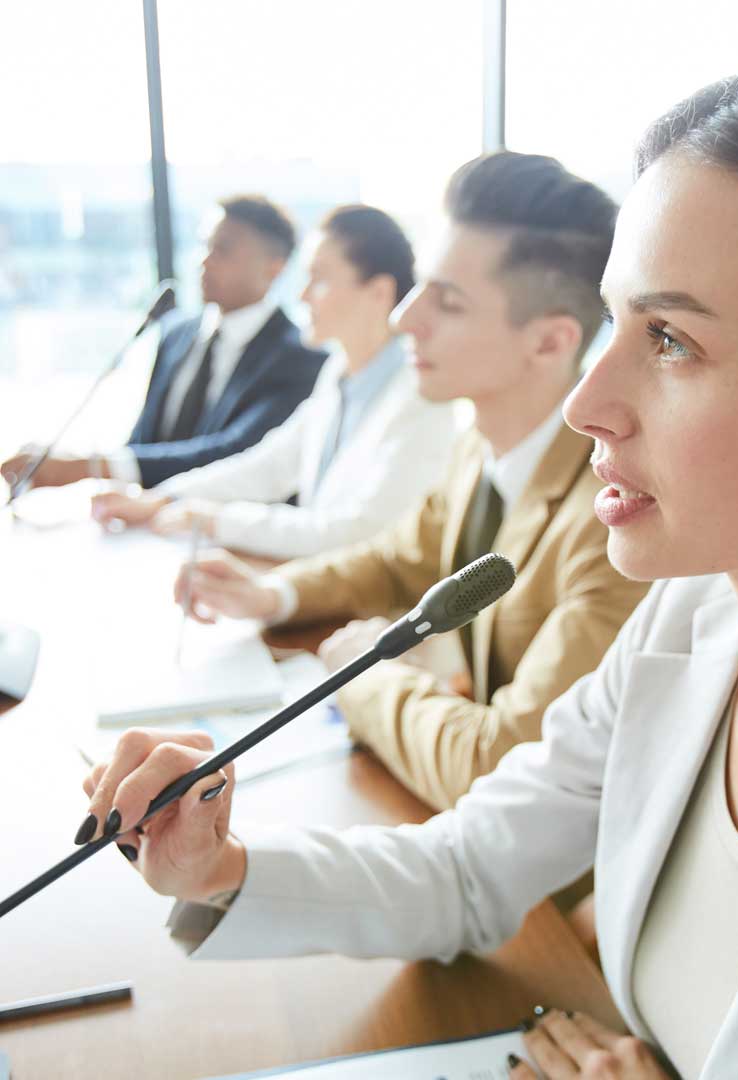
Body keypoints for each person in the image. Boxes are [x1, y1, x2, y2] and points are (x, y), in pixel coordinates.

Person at [77, 58, 738, 1079]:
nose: (585, 402)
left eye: (674, 340)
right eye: (615, 322)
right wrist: (219, 866)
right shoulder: (686, 626)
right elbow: (470, 869)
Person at [155, 151, 650, 810]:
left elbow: (498, 764)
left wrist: (363, 675)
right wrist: (272, 595)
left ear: (551, 342)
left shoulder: (609, 522)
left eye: (445, 302)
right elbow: (399, 560)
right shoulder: (481, 442)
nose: (404, 318)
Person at [87, 205, 458, 561]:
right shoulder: (340, 373)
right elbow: (269, 465)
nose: (302, 295)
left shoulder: (421, 396)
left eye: (320, 280)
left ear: (378, 292)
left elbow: (359, 531)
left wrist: (212, 519)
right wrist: (166, 500)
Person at [1, 195, 326, 491]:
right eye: (204, 245)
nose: (204, 261)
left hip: (227, 537)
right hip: (144, 524)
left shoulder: (301, 357)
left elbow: (238, 455)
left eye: (223, 250)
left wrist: (91, 466)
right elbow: (143, 440)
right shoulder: (176, 333)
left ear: (275, 267)